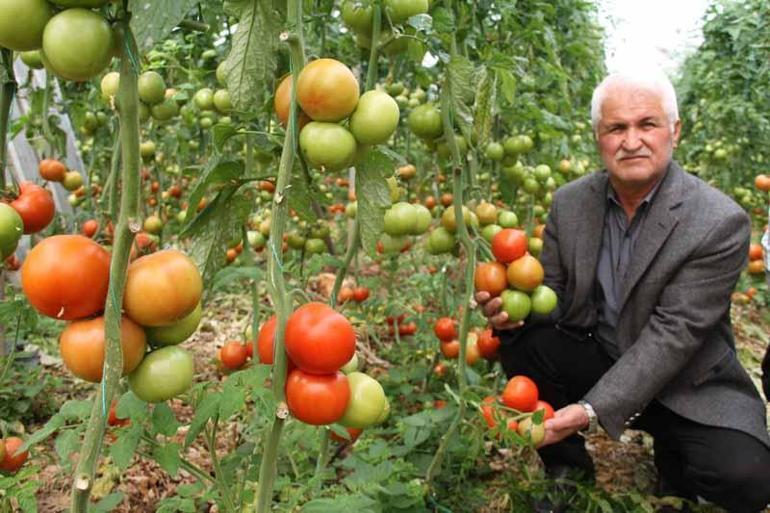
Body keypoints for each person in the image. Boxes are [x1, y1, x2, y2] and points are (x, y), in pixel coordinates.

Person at [476, 68, 770, 513]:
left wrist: (592, 410)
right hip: (600, 355)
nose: (631, 140)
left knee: (746, 481)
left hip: (685, 381)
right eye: (616, 128)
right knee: (520, 336)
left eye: (646, 124)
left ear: (674, 131)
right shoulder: (572, 203)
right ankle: (567, 468)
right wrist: (509, 308)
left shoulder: (717, 221)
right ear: (598, 137)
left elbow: (674, 335)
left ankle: (675, 458)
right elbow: (550, 292)